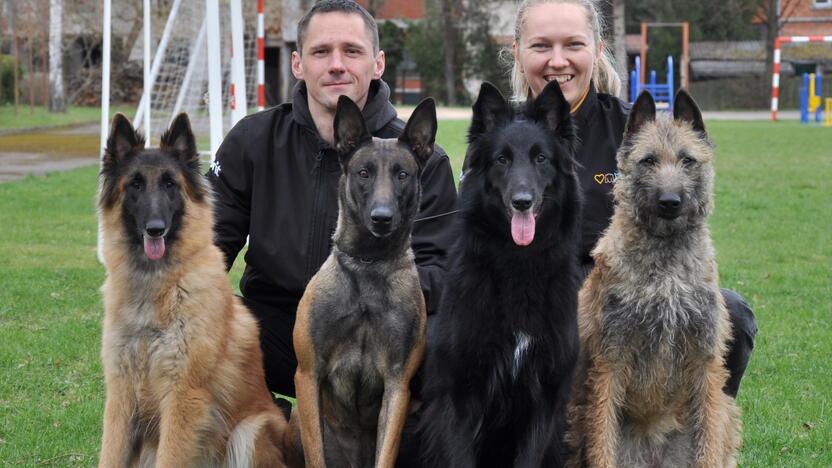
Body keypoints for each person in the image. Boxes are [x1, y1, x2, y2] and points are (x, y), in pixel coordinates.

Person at [207, 0, 458, 408]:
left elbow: (443, 272)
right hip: (280, 328)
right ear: (297, 63)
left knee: (447, 335)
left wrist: (369, 292)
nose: (337, 64)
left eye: (352, 51)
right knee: (201, 317)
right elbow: (207, 245)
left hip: (379, 329)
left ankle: (405, 435)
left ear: (377, 63)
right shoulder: (253, 140)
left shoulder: (419, 160)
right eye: (321, 52)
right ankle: (267, 424)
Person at [504, 0, 756, 397]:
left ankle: (698, 443)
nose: (557, 60)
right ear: (517, 52)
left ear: (598, 49)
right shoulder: (498, 139)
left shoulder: (636, 133)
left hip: (626, 291)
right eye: (540, 46)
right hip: (532, 298)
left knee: (733, 315)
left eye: (572, 44)